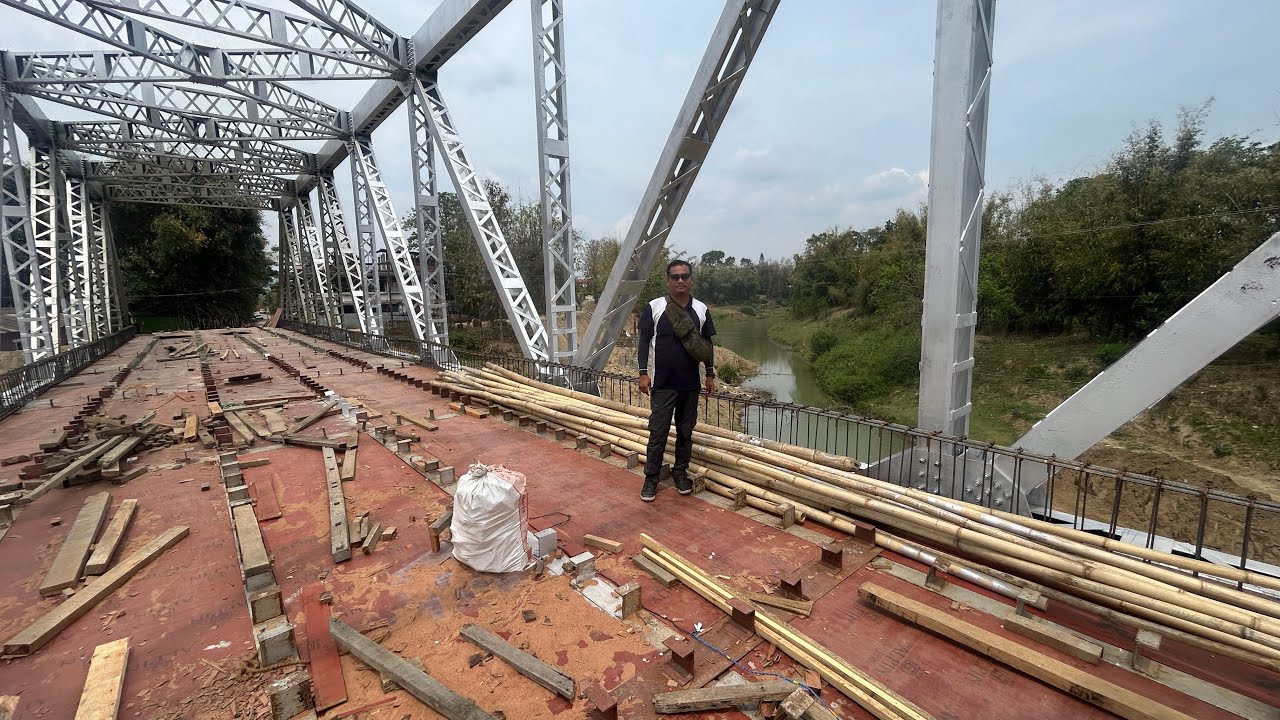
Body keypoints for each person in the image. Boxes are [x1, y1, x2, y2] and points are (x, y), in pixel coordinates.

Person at [637, 259, 716, 502]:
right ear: (668, 281)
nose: (680, 280)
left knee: (685, 431)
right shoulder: (655, 307)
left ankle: (680, 472)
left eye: (684, 276)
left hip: (691, 385)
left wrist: (710, 373)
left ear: (691, 279)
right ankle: (651, 478)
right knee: (657, 432)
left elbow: (707, 345)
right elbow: (643, 341)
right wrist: (642, 372)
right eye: (675, 277)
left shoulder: (701, 310)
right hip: (662, 384)